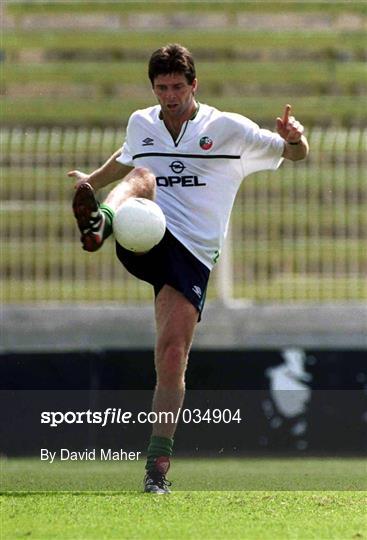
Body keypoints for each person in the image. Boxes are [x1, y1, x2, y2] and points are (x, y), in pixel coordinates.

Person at [68, 43, 309, 494]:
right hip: (145, 232)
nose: (170, 96)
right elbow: (128, 158)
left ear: (194, 84)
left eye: (178, 87)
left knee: (172, 355)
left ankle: (157, 466)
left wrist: (294, 137)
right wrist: (89, 184)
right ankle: (102, 220)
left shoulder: (228, 129)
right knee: (144, 177)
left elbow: (295, 155)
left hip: (194, 254)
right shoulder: (143, 122)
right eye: (162, 88)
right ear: (153, 87)